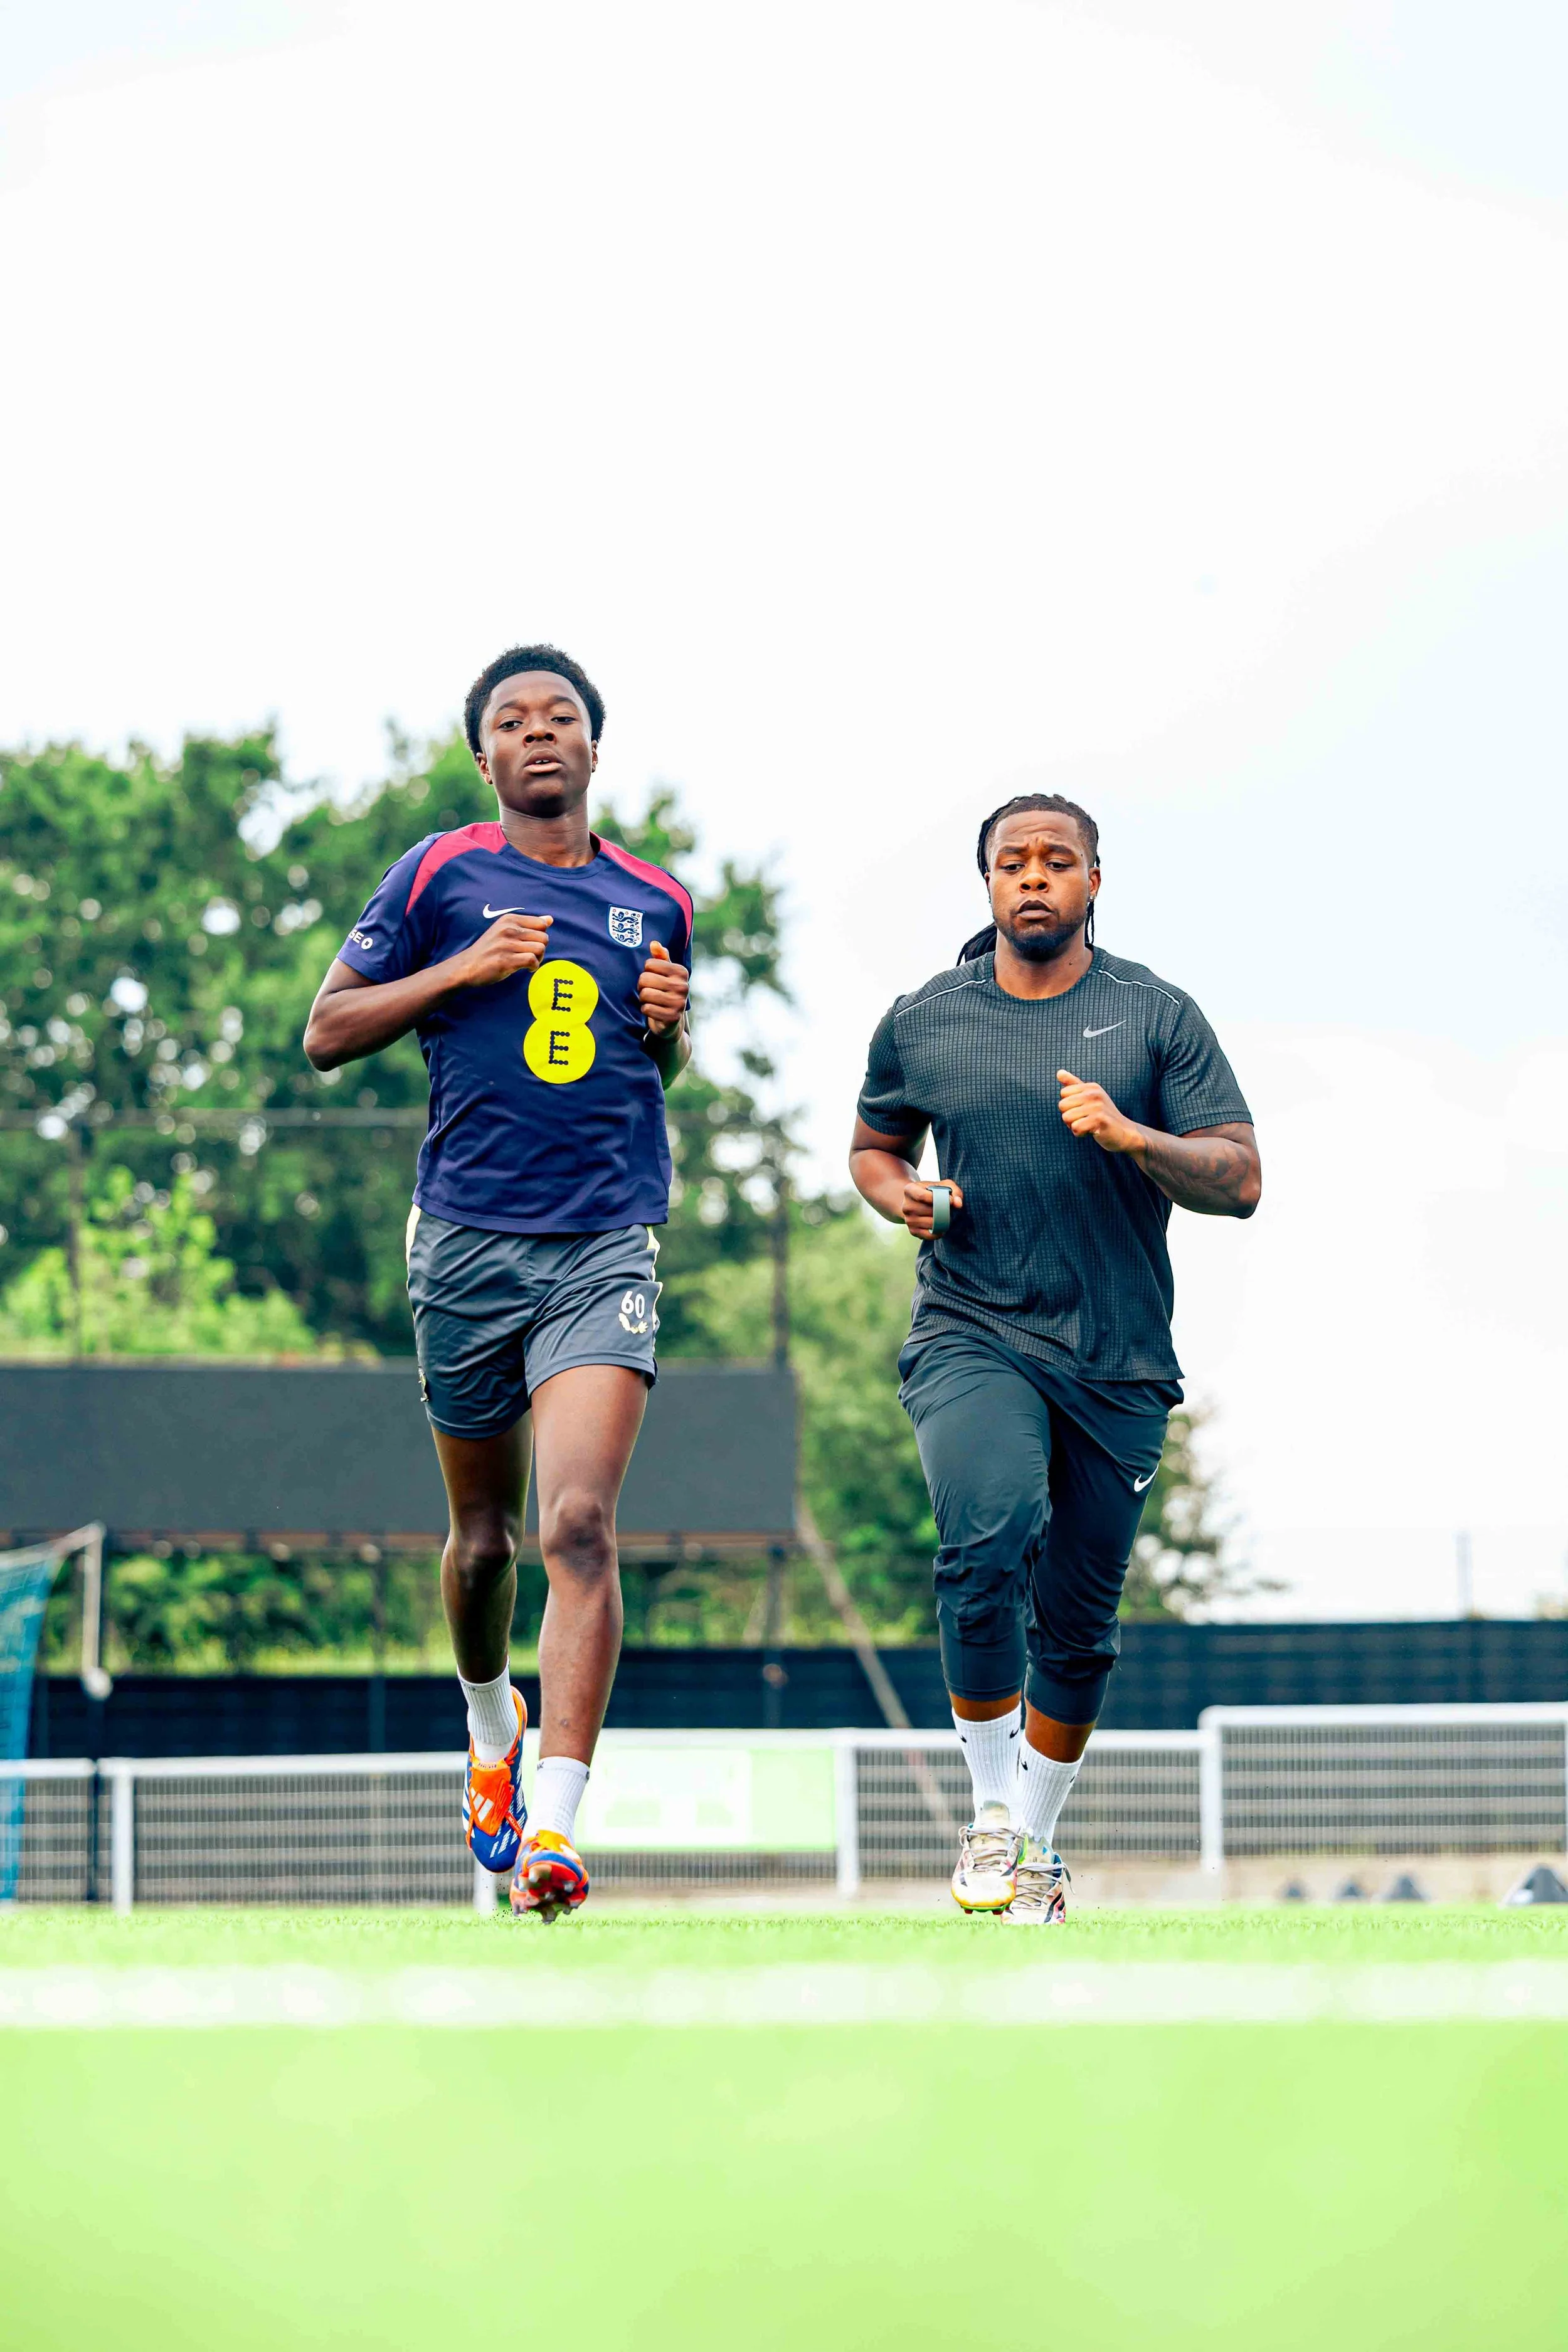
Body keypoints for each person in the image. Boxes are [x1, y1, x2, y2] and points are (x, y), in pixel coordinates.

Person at [304, 645, 692, 1920]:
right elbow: (325, 1033)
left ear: (593, 746)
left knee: (576, 1525)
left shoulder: (656, 898)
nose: (538, 734)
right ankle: (488, 1728)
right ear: (484, 757)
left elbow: (654, 1069)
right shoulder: (438, 873)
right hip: (466, 1241)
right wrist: (457, 973)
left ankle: (558, 1833)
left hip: (603, 1240)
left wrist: (669, 1031)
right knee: (482, 1545)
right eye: (512, 721)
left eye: (560, 717)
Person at [849, 794, 1259, 1922]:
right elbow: (873, 1145)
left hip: (1118, 1357)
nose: (1034, 877)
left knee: (1080, 1621)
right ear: (986, 884)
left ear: (1093, 880)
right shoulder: (926, 1018)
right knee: (987, 1533)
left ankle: (1033, 1842)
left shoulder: (1154, 1015)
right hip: (971, 1327)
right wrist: (906, 1198)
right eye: (1011, 862)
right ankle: (989, 1816)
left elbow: (1241, 1177)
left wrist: (1137, 1137)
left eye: (1057, 861)